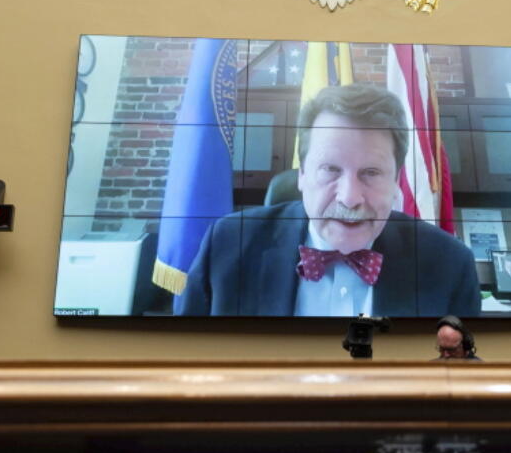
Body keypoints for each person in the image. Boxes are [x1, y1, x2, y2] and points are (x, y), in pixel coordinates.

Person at [176, 83, 481, 317]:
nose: (349, 198)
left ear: (395, 180)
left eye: (371, 172)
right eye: (330, 169)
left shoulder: (450, 264)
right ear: (302, 174)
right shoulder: (227, 244)